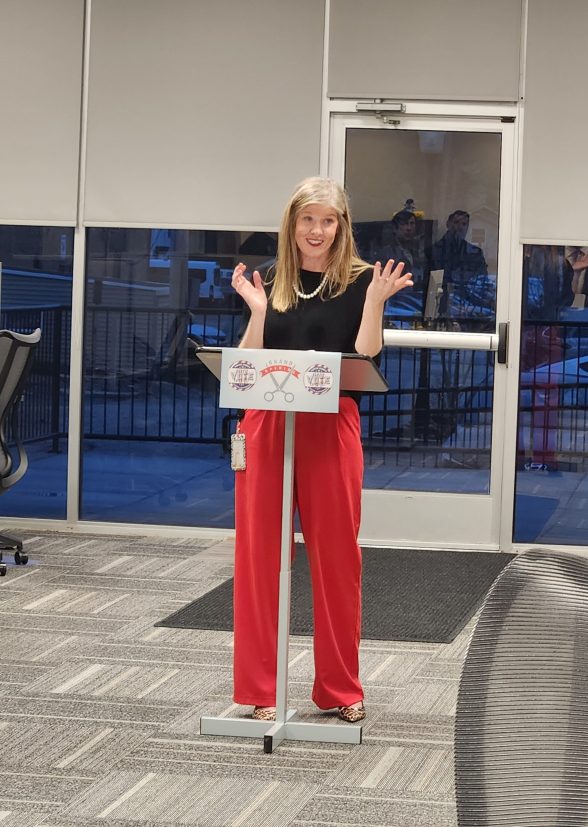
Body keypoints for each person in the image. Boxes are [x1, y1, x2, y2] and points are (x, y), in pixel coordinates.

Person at [230, 177, 412, 723]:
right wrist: (257, 310)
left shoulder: (360, 280)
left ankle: (340, 688)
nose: (317, 230)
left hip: (331, 424)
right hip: (267, 422)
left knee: (337, 557)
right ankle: (261, 690)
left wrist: (376, 302)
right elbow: (246, 365)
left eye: (327, 220)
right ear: (292, 223)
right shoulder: (268, 277)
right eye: (307, 219)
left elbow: (366, 353)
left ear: (341, 226)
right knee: (260, 557)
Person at [430, 210, 488, 319]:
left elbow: (481, 281)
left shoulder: (475, 253)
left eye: (464, 224)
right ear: (448, 224)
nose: (460, 227)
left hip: (468, 307)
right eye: (456, 222)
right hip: (439, 306)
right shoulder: (434, 251)